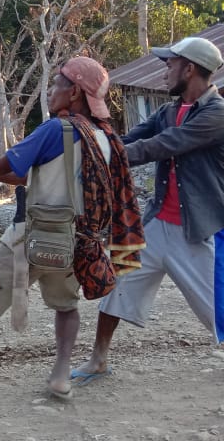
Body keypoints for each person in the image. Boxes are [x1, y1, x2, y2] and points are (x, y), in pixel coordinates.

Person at [0, 56, 144, 402]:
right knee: (66, 307)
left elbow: (6, 164)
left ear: (75, 91)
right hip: (74, 245)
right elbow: (23, 174)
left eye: (56, 84)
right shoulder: (104, 139)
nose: (50, 91)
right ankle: (61, 377)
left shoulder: (56, 130)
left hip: (28, 240)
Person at [72, 37, 224, 383]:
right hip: (157, 226)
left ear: (189, 69)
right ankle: (98, 360)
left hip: (198, 231)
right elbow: (128, 140)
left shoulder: (217, 115)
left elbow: (163, 145)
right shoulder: (168, 111)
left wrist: (103, 156)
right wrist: (93, 146)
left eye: (170, 64)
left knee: (218, 311)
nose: (165, 72)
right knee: (119, 286)